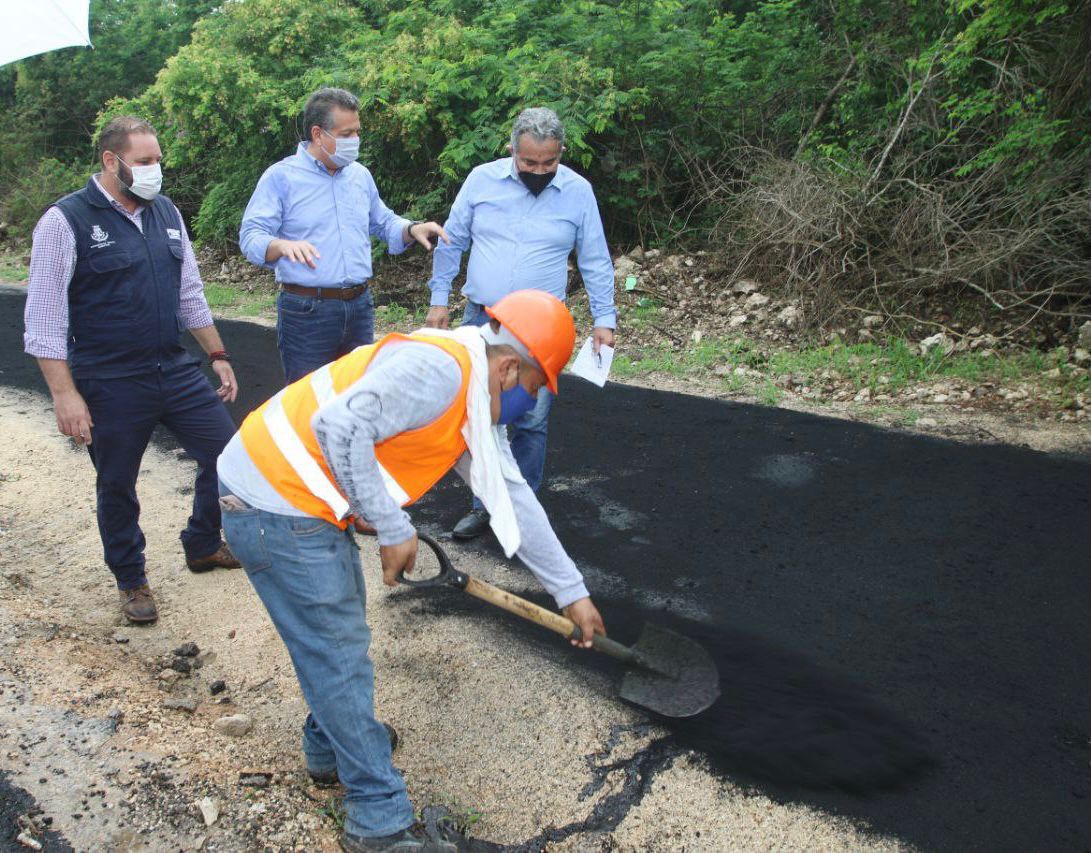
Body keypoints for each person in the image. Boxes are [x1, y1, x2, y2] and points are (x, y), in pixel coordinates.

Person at [216, 290, 606, 852]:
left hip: (299, 499)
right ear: (510, 368)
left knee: (339, 645)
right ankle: (378, 821)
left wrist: (571, 591)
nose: (534, 403)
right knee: (337, 653)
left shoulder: (474, 389)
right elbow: (338, 427)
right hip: (272, 501)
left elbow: (513, 497)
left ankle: (332, 750)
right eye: (536, 390)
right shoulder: (439, 373)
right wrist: (393, 526)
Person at [23, 116, 241, 625]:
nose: (155, 171)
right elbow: (44, 320)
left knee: (228, 458)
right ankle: (131, 579)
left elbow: (190, 294)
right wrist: (65, 395)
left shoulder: (166, 212)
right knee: (118, 482)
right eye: (144, 162)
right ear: (110, 161)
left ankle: (203, 542)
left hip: (174, 368)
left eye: (157, 160)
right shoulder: (65, 221)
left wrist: (218, 355)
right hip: (109, 378)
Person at [424, 107, 617, 540]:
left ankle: (522, 508)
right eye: (529, 162)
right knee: (481, 415)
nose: (539, 171)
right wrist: (439, 300)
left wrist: (604, 318)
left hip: (540, 330)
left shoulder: (577, 192)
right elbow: (451, 243)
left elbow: (594, 257)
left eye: (549, 163)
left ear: (561, 153)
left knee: (530, 420)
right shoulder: (481, 181)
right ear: (512, 150)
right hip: (484, 320)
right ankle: (483, 505)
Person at [239, 87, 448, 384]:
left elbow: (382, 221)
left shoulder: (359, 176)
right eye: (346, 134)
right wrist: (280, 245)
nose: (355, 141)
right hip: (307, 312)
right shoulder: (281, 177)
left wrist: (411, 229)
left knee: (358, 401)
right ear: (318, 134)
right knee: (308, 403)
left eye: (357, 132)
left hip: (359, 307)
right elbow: (251, 236)